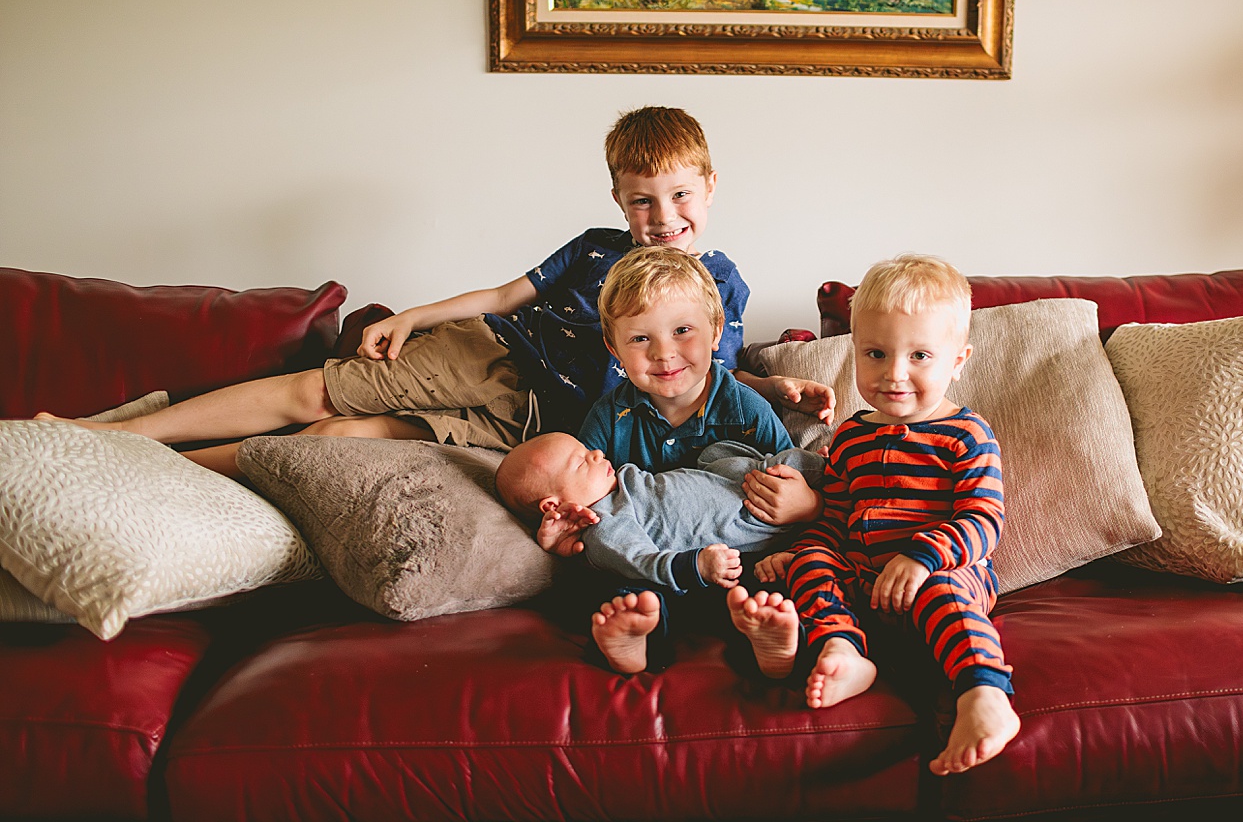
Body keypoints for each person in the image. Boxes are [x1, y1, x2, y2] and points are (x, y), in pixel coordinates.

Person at [39, 106, 833, 477]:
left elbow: (702, 380)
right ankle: (111, 436)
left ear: (710, 186)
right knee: (317, 394)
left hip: (536, 424)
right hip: (496, 357)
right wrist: (412, 316)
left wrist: (779, 383)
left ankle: (165, 467)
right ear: (619, 200)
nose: (664, 219)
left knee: (337, 445)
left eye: (681, 196)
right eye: (642, 200)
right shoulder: (595, 251)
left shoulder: (717, 285)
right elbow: (502, 295)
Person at [727, 254, 1021, 776]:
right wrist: (797, 551)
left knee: (947, 593)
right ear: (854, 352)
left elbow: (984, 520)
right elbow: (836, 516)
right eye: (877, 354)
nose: (895, 374)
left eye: (920, 356)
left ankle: (984, 695)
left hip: (938, 574)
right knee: (812, 560)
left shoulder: (968, 434)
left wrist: (922, 558)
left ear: (958, 360)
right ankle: (841, 649)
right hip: (864, 582)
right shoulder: (851, 435)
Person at [496, 432, 824, 675]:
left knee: (748, 459)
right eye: (581, 462)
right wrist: (693, 566)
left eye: (587, 449)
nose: (596, 452)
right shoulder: (604, 520)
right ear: (554, 505)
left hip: (745, 507)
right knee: (653, 600)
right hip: (706, 568)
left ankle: (832, 468)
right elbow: (638, 559)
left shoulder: (625, 481)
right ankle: (638, 645)